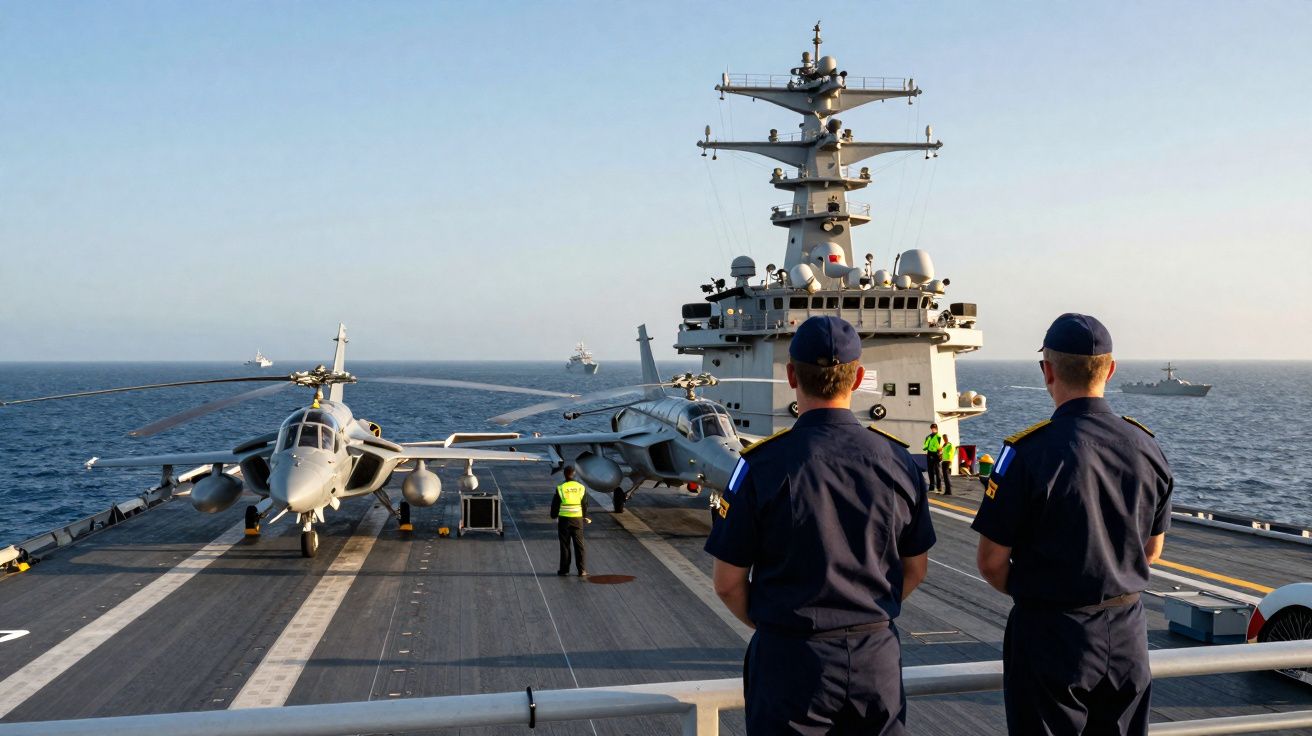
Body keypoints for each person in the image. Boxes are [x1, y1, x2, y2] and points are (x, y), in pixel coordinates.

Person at [705, 315, 936, 735]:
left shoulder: (761, 466)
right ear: (859, 377)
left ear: (792, 376)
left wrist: (773, 625)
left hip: (792, 656)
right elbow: (916, 567)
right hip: (875, 657)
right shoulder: (899, 462)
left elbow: (726, 582)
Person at [971, 313, 1172, 736]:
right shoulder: (1146, 446)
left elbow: (991, 562)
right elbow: (1152, 550)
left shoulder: (1027, 453)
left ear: (1047, 370)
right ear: (1111, 369)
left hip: (1051, 632)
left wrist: (1042, 591)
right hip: (1128, 632)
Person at [550, 465, 589, 577]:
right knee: (579, 545)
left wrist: (553, 515)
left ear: (564, 474)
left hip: (564, 521)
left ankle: (564, 570)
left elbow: (555, 504)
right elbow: (585, 504)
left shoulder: (561, 488)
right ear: (574, 474)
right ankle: (582, 570)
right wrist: (584, 516)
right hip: (577, 520)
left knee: (565, 545)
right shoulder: (581, 487)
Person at [922, 423, 943, 492]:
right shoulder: (928, 437)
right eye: (932, 428)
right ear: (931, 429)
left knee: (937, 471)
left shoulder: (938, 437)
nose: (933, 429)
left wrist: (940, 454)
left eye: (934, 428)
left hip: (936, 454)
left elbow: (939, 447)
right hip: (930, 454)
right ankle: (932, 486)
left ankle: (939, 486)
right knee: (930, 471)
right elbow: (925, 446)